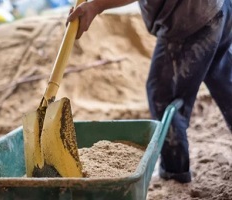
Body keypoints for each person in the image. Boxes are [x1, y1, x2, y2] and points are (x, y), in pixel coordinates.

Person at [67, 0, 232, 183]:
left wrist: (96, 6)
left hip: (190, 17)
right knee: (223, 77)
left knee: (163, 94)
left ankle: (173, 171)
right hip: (218, 7)